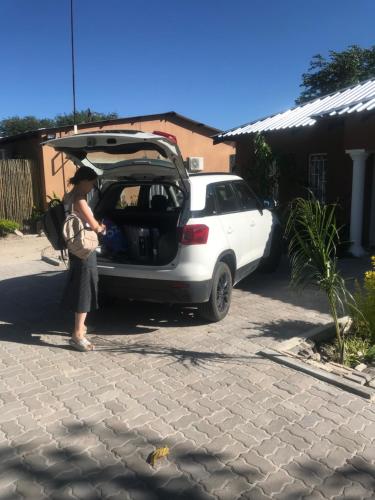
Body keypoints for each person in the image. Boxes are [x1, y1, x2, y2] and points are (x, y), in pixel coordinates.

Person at [61, 167, 106, 352]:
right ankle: (78, 335)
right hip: (85, 251)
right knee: (85, 289)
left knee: (80, 285)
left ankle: (82, 326)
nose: (92, 187)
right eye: (91, 183)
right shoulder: (79, 200)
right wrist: (102, 227)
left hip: (74, 249)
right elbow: (95, 226)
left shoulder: (68, 196)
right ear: (84, 181)